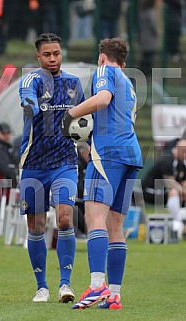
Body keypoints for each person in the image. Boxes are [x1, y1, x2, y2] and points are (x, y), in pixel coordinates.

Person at [61, 38, 143, 310]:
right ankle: (115, 295)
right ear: (124, 61)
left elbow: (102, 99)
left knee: (94, 216)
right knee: (115, 226)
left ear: (102, 57)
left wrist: (70, 115)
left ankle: (97, 287)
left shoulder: (105, 71)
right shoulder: (129, 84)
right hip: (131, 155)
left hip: (108, 154)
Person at [19, 33, 85, 303]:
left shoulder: (74, 83)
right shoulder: (31, 81)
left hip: (64, 162)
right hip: (33, 164)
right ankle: (41, 287)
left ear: (62, 53)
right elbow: (28, 102)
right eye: (46, 54)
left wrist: (86, 144)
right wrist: (32, 107)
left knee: (65, 219)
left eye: (56, 53)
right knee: (35, 226)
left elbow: (82, 119)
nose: (52, 59)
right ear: (38, 56)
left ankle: (65, 285)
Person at [142, 138, 186, 239]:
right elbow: (170, 183)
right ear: (179, 150)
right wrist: (183, 191)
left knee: (179, 193)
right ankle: (178, 221)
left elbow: (184, 183)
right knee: (174, 191)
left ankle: (181, 223)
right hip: (149, 191)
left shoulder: (182, 164)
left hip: (163, 192)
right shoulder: (167, 160)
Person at [138, 0, 158, 77]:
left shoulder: (142, 11)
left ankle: (144, 71)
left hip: (144, 36)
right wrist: (156, 32)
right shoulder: (150, 12)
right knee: (148, 56)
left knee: (145, 55)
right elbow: (153, 25)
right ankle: (146, 73)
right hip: (150, 37)